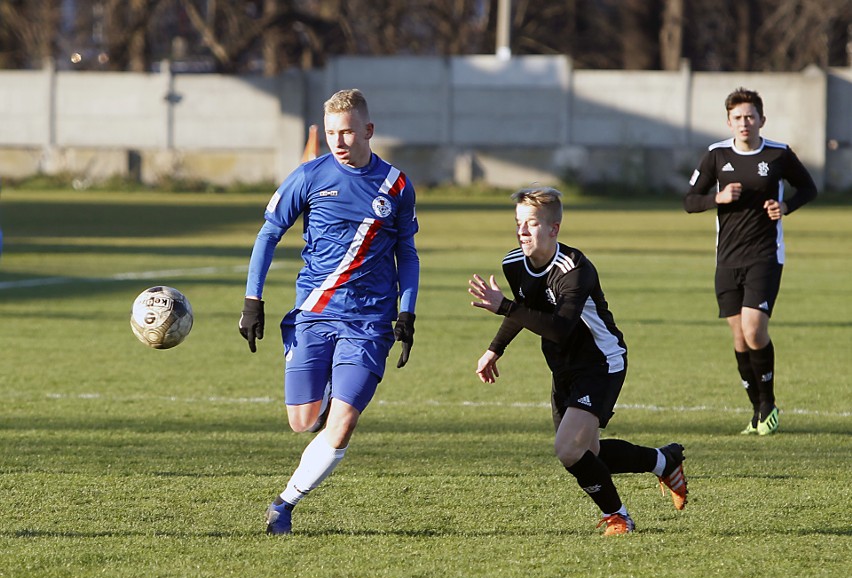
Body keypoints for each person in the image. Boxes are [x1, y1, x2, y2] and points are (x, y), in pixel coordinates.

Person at [239, 88, 420, 535]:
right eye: (333, 133)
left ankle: (284, 504)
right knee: (302, 422)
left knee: (342, 424)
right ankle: (322, 403)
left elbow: (408, 253)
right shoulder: (308, 176)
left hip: (369, 322)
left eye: (347, 132)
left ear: (368, 131)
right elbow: (268, 236)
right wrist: (252, 301)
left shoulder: (396, 185)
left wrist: (407, 312)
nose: (339, 141)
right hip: (313, 314)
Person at [468, 187, 687, 536]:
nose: (522, 231)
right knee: (587, 452)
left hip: (601, 362)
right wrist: (495, 348)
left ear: (553, 229)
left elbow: (559, 327)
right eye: (518, 223)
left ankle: (619, 517)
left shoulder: (574, 268)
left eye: (532, 224)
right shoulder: (513, 263)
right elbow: (529, 308)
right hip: (562, 367)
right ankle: (664, 460)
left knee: (568, 449)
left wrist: (505, 305)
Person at [684, 87, 817, 436]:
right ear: (729, 121)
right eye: (738, 117)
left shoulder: (778, 154)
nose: (744, 123)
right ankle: (756, 410)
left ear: (762, 119)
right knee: (739, 338)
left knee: (754, 330)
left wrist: (785, 206)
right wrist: (719, 197)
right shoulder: (716, 155)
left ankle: (768, 403)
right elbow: (689, 201)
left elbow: (808, 188)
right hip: (726, 259)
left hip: (764, 255)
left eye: (750, 116)